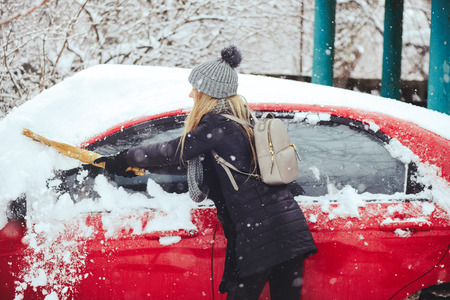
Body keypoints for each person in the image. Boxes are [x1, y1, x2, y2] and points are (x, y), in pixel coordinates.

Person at [95, 45, 317, 300]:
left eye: (195, 88)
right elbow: (195, 161)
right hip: (287, 228)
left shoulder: (217, 123)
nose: (191, 94)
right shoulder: (243, 119)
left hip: (261, 237)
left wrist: (124, 157)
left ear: (208, 93)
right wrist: (139, 166)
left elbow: (174, 150)